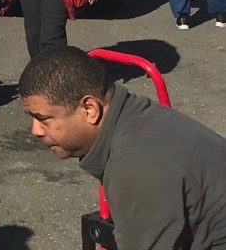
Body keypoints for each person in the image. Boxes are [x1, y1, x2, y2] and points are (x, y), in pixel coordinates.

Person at [19, 46, 226, 250]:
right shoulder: (140, 119)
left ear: (89, 109)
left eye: (43, 118)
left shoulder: (136, 167)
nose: (35, 131)